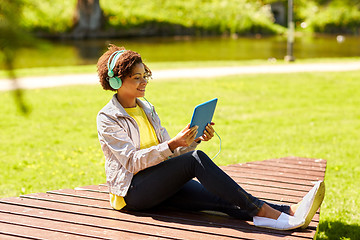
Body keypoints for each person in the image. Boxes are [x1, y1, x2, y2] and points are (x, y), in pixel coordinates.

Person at [96, 44, 325, 231]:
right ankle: (267, 214)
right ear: (117, 81)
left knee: (220, 198)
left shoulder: (146, 108)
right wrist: (174, 144)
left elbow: (170, 153)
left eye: (145, 75)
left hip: (159, 184)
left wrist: (192, 139)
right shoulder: (108, 118)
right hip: (132, 193)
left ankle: (289, 211)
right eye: (137, 78)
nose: (144, 81)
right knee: (195, 160)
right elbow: (132, 162)